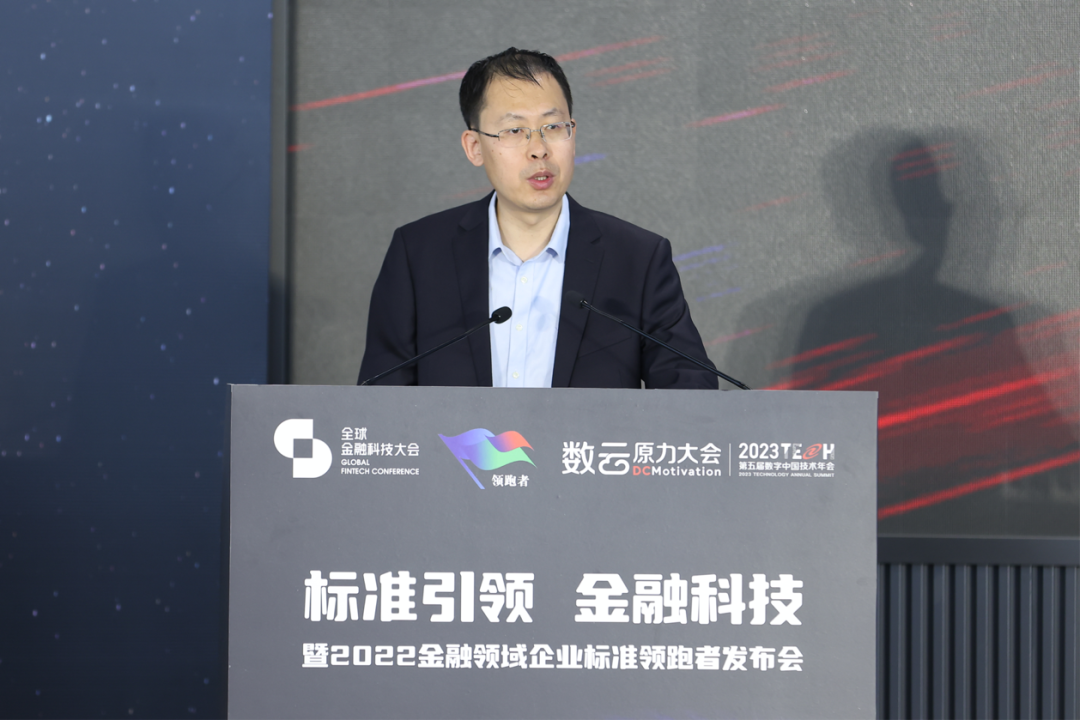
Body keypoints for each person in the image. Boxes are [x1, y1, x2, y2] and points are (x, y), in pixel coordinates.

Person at [357, 47, 717, 389]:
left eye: (554, 127)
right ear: (474, 147)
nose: (539, 149)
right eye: (515, 131)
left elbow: (690, 391)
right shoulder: (418, 255)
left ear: (573, 135)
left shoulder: (637, 260)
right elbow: (379, 397)